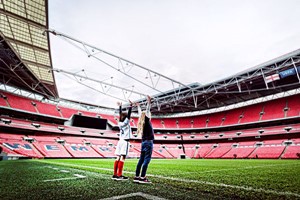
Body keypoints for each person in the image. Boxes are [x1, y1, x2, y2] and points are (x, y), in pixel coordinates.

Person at [134, 95, 154, 184]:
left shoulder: (141, 122)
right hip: (148, 142)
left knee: (141, 160)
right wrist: (148, 102)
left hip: (143, 143)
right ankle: (142, 177)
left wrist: (138, 106)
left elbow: (140, 113)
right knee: (146, 160)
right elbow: (147, 110)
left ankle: (137, 176)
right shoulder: (146, 120)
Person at [112, 101, 133, 181]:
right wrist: (131, 106)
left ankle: (115, 174)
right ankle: (119, 175)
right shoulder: (126, 122)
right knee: (122, 158)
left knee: (117, 157)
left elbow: (121, 115)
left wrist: (120, 107)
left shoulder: (120, 123)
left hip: (120, 141)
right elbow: (129, 115)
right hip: (125, 141)